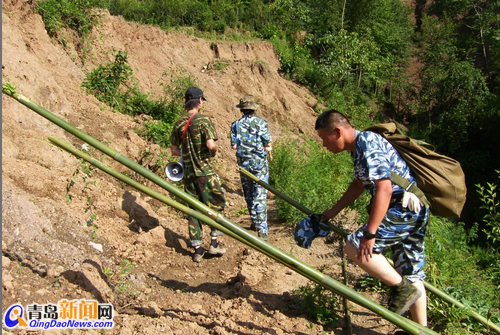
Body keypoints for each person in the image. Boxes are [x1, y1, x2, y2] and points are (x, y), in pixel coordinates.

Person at [315, 110, 430, 329]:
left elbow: (384, 189)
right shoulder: (359, 148)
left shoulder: (367, 143)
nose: (323, 144)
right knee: (411, 273)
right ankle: (420, 331)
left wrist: (370, 233)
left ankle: (402, 289)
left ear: (337, 131)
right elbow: (359, 185)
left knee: (354, 245)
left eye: (323, 138)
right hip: (413, 208)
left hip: (403, 208)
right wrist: (334, 210)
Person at [170, 87, 226, 263]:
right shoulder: (203, 121)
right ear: (200, 101)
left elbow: (173, 151)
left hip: (188, 174)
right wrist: (214, 151)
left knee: (194, 208)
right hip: (205, 172)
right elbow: (210, 145)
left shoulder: (178, 123)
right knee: (216, 204)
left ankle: (197, 248)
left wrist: (187, 153)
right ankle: (214, 243)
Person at [230, 96, 273, 241]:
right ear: (254, 109)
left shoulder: (235, 125)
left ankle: (254, 221)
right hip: (259, 164)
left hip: (244, 164)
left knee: (248, 193)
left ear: (241, 109)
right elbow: (267, 144)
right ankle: (262, 231)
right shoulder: (261, 123)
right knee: (259, 194)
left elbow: (234, 146)